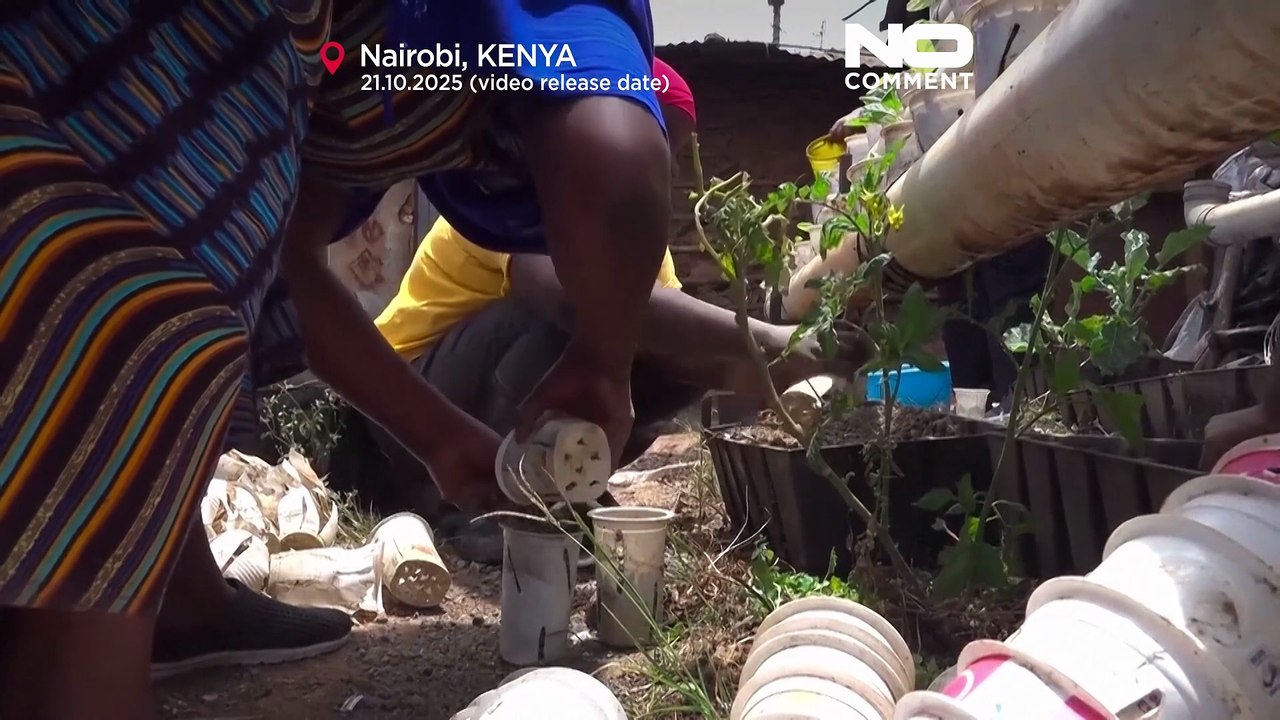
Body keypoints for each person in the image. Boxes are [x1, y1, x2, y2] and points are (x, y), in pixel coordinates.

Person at [0, 2, 696, 718]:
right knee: (146, 312)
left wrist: (441, 438)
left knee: (200, 286)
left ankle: (175, 600)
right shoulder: (540, 24)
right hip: (76, 90)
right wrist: (604, 364)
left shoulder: (371, 83)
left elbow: (288, 267)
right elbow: (616, 161)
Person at [332, 60, 869, 560]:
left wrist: (786, 366)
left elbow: (671, 332)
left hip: (482, 390)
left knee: (669, 349)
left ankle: (562, 488)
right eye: (651, 144)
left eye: (670, 155)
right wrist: (769, 337)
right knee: (580, 316)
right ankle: (488, 510)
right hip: (403, 410)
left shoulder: (637, 237)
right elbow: (568, 299)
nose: (656, 173)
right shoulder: (518, 196)